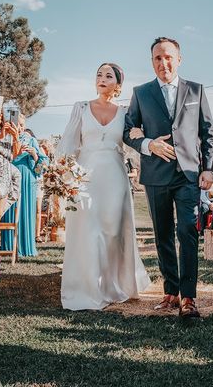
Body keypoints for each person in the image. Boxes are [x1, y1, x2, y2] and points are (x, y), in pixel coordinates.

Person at [124, 37, 213, 318]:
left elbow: (208, 132)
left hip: (188, 175)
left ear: (179, 59)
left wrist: (208, 168)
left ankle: (189, 297)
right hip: (155, 175)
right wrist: (148, 144)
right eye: (157, 58)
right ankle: (170, 293)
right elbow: (128, 130)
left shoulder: (196, 90)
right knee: (163, 234)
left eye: (168, 57)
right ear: (152, 61)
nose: (163, 63)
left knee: (187, 231)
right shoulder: (141, 93)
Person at [59, 63, 150, 310]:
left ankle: (112, 286)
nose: (101, 78)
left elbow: (135, 141)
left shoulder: (125, 114)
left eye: (108, 76)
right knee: (87, 230)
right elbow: (68, 145)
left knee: (112, 232)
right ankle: (85, 288)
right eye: (98, 74)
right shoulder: (80, 108)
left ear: (118, 84)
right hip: (84, 177)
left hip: (114, 177)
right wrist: (63, 176)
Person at [1, 114, 49, 257]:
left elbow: (43, 166)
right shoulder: (4, 139)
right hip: (10, 178)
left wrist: (34, 154)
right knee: (10, 210)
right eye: (17, 125)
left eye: (22, 125)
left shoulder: (31, 140)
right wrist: (15, 154)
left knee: (26, 210)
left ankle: (26, 247)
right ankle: (9, 246)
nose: (20, 128)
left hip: (28, 179)